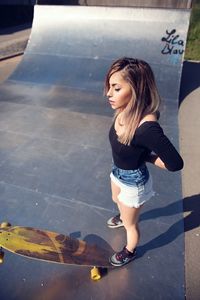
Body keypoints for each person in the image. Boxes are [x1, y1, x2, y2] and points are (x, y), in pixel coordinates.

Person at [105, 57, 184, 267]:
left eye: (116, 88)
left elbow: (175, 163)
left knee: (131, 225)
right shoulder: (124, 109)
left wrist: (146, 157)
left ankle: (129, 251)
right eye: (109, 87)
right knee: (116, 199)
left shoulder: (147, 128)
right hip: (117, 172)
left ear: (136, 90)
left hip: (133, 181)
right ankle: (123, 216)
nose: (109, 93)